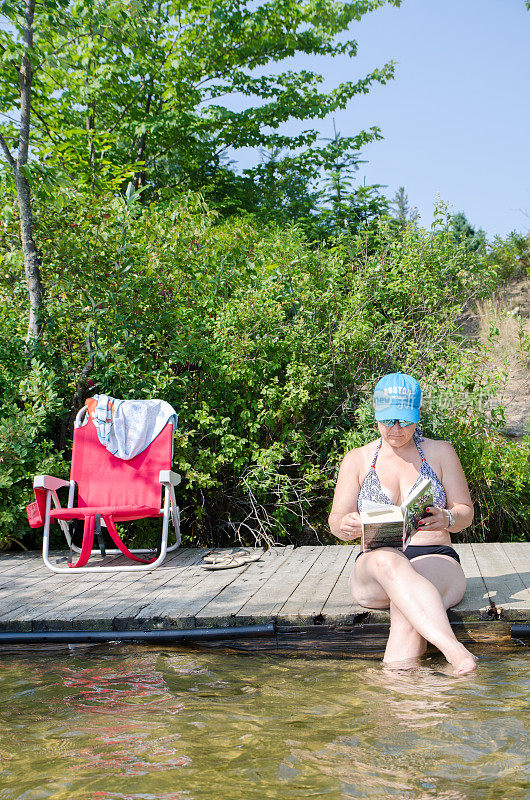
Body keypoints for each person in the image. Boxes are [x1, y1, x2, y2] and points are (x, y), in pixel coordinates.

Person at [328, 372, 477, 675]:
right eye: (389, 420)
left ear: (418, 415)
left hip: (434, 557)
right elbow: (335, 522)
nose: (396, 429)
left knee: (408, 609)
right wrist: (348, 525)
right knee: (389, 564)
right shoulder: (357, 459)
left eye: (405, 421)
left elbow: (466, 512)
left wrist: (447, 517)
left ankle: (401, 705)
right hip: (376, 565)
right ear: (376, 415)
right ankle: (455, 651)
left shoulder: (440, 452)